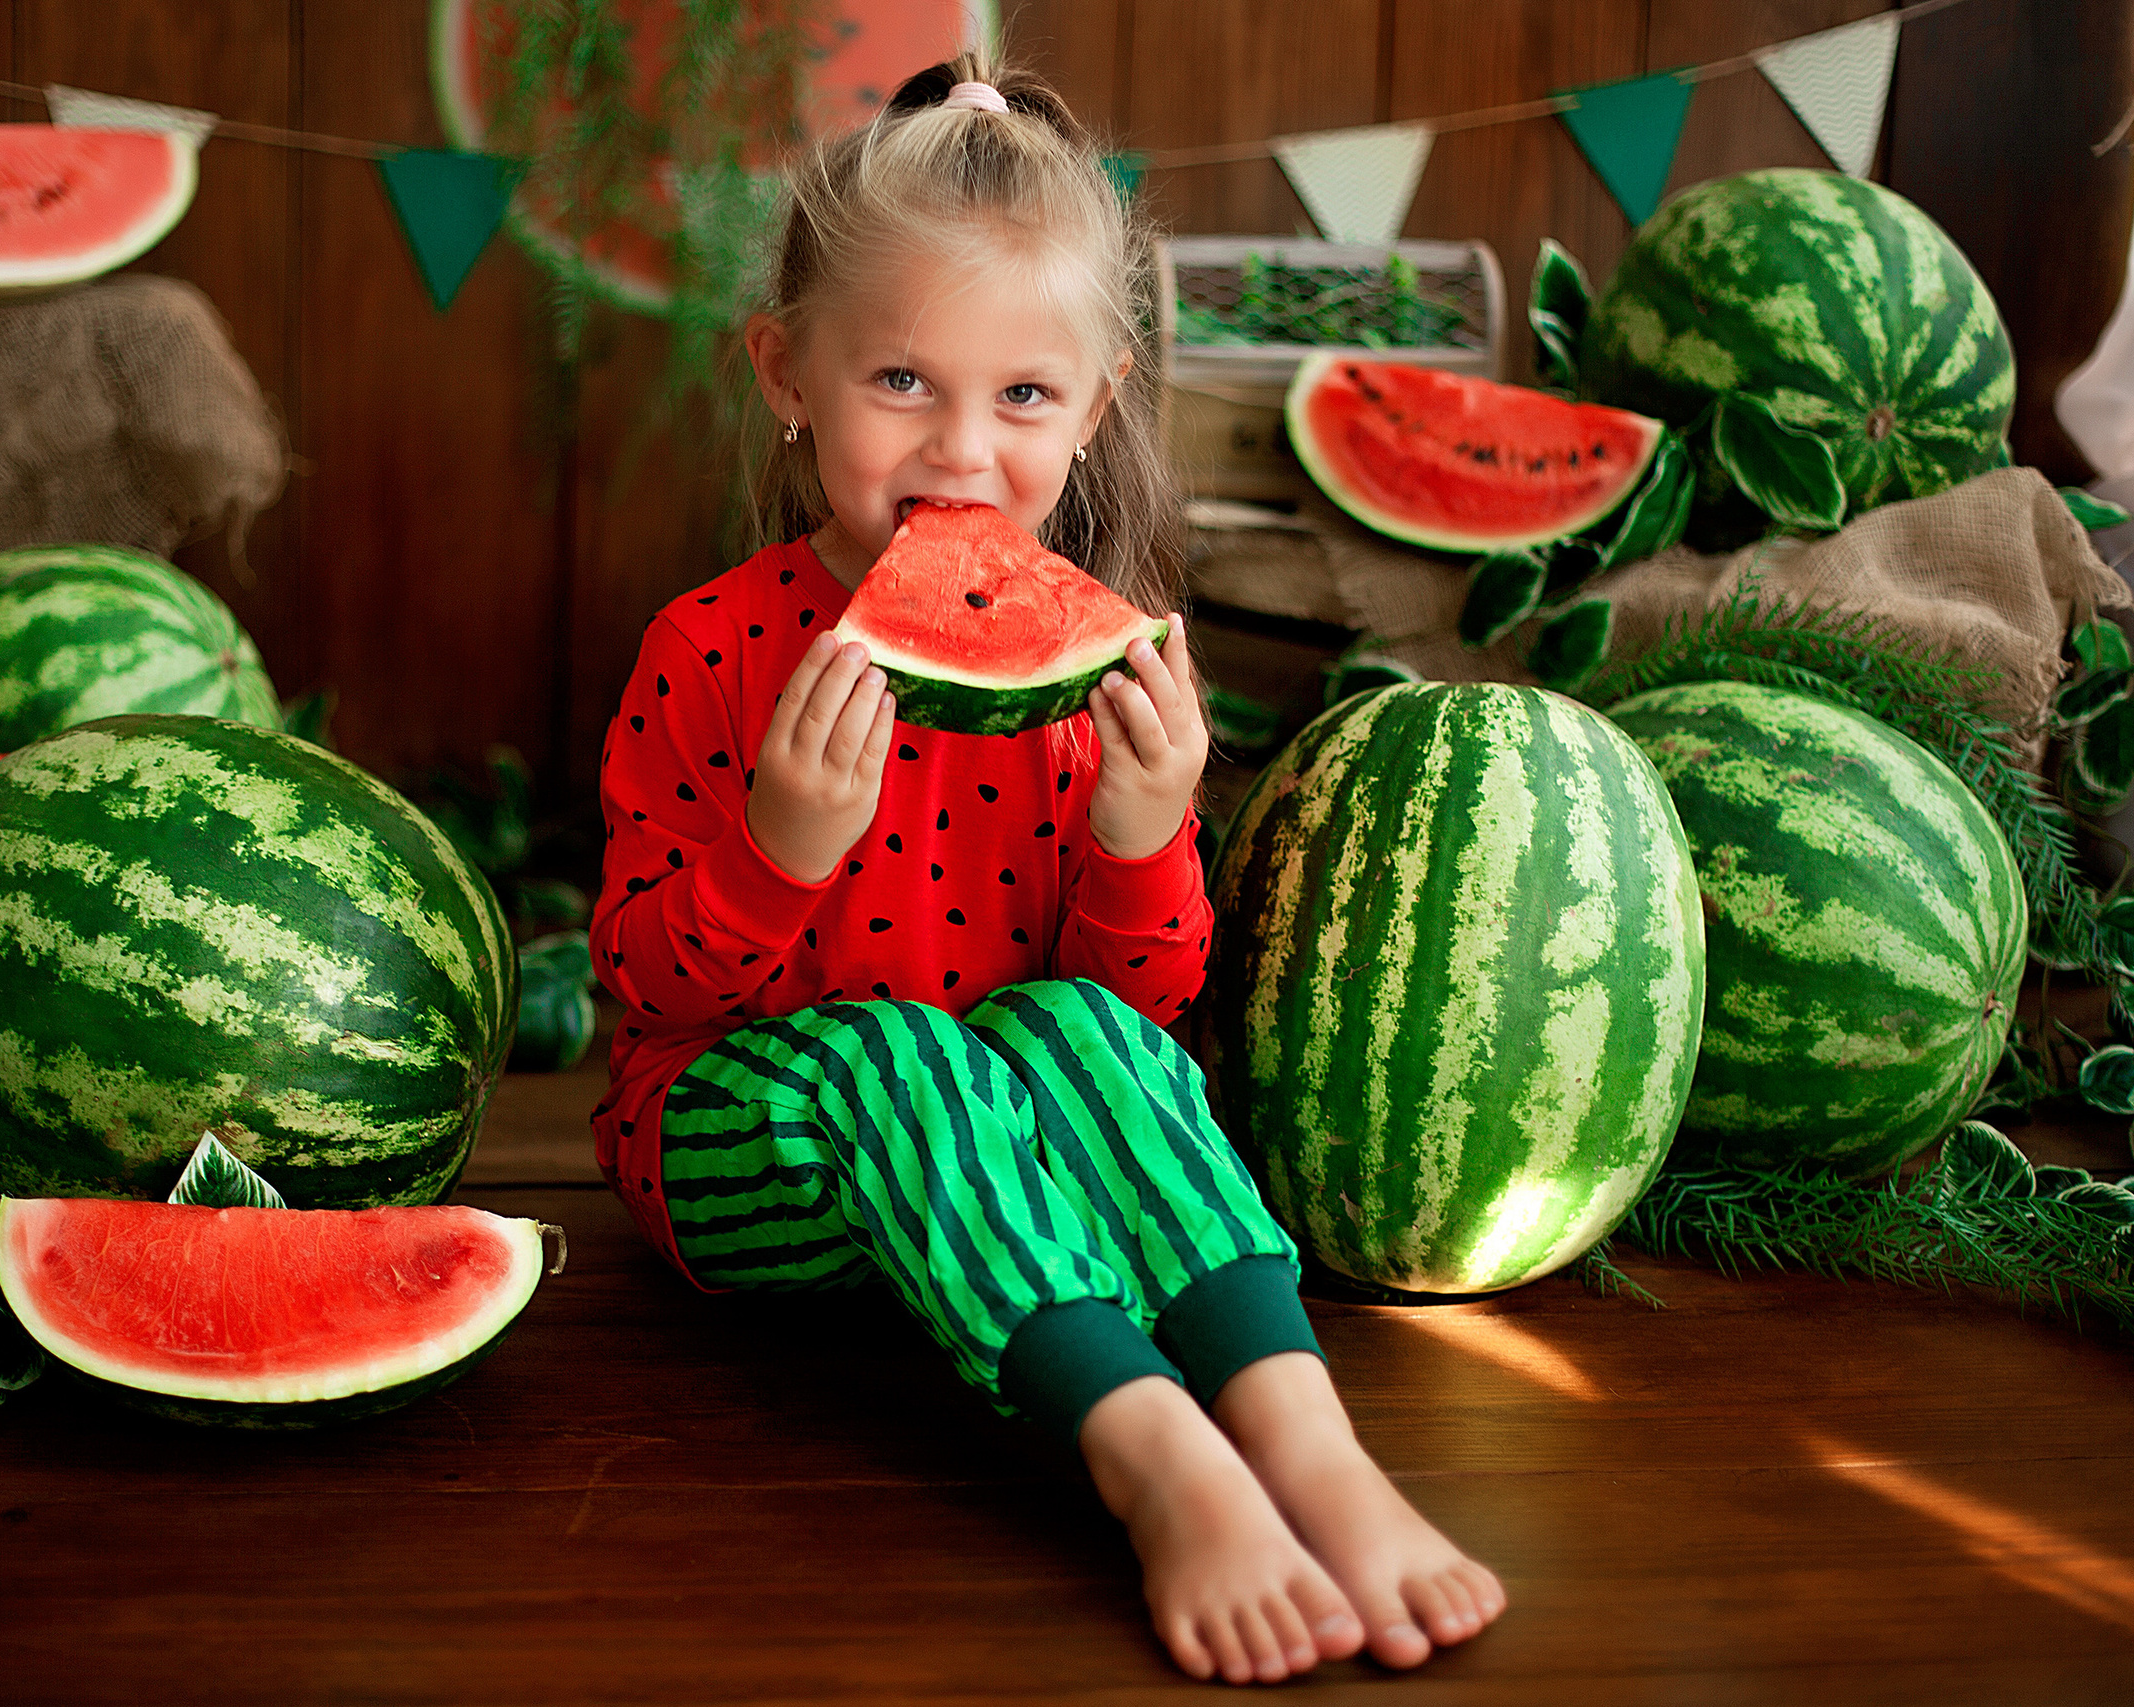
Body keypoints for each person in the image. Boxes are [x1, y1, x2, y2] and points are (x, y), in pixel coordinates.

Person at [589, 52, 1506, 1684]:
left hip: (1005, 1158)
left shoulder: (1097, 671)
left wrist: (1147, 836)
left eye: (1022, 396)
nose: (960, 453)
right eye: (899, 383)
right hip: (734, 1144)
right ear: (786, 371)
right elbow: (644, 985)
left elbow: (1132, 1014)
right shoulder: (712, 650)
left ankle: (1307, 1447)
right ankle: (1156, 1462)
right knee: (901, 1049)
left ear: (1097, 406)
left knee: (1080, 1041)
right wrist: (773, 859)